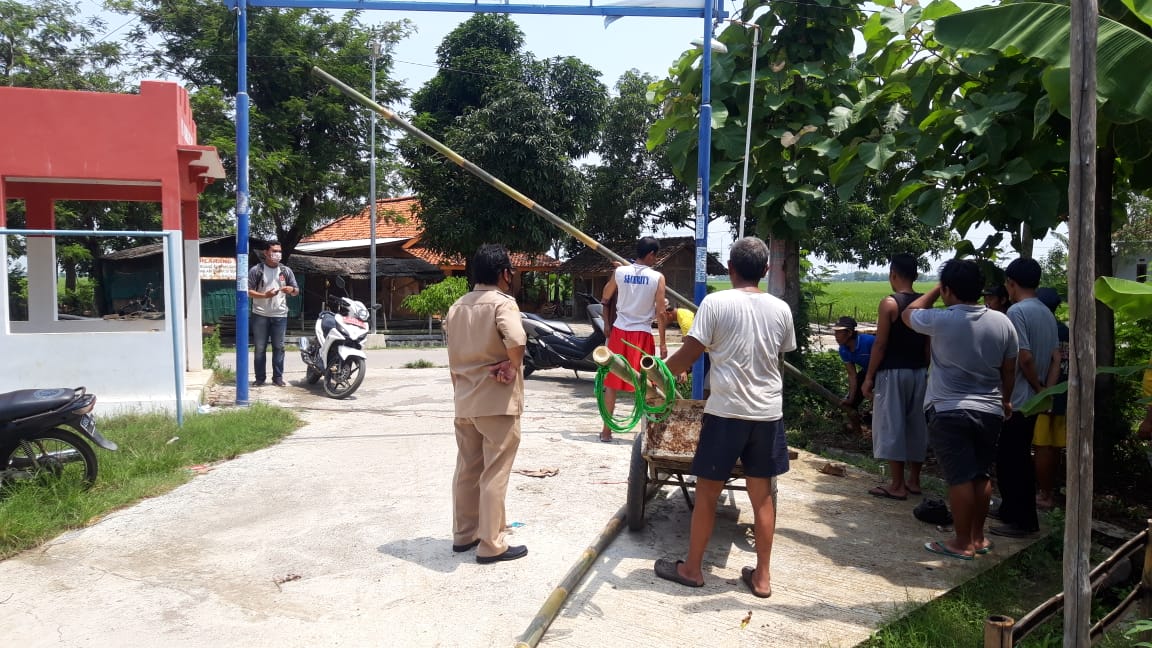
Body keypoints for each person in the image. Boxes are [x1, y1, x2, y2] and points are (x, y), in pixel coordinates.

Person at [652, 237, 795, 598]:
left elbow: (687, 358)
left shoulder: (715, 303)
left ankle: (693, 569)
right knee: (762, 497)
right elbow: (777, 358)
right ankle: (762, 578)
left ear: (730, 268)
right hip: (767, 414)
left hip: (726, 412)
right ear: (765, 271)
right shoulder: (780, 310)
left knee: (707, 494)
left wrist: (656, 375)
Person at [904, 259, 1018, 560]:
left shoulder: (942, 320)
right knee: (981, 475)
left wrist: (934, 290)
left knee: (959, 477)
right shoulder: (1002, 322)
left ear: (948, 289)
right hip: (990, 409)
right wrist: (1006, 400)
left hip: (948, 409)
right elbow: (1009, 370)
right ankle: (978, 538)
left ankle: (961, 542)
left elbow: (908, 313)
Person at [443, 244, 529, 564]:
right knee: (495, 472)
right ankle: (492, 543)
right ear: (504, 273)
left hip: (464, 401)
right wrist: (512, 365)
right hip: (496, 402)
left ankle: (464, 535)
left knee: (467, 468)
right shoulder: (503, 304)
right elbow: (517, 340)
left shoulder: (457, 307)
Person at [991, 258, 1059, 538]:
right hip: (1035, 398)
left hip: (1018, 398)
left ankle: (1024, 520)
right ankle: (1009, 509)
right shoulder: (1046, 312)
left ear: (1011, 283)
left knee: (1013, 459)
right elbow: (1056, 357)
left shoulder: (1017, 311)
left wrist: (1035, 384)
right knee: (1013, 456)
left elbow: (1025, 356)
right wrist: (1046, 390)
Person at [861, 254, 930, 501]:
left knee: (892, 425)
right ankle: (914, 481)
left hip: (893, 372)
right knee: (916, 425)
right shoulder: (924, 304)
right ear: (916, 275)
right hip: (919, 372)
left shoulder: (889, 303)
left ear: (893, 274)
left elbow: (880, 344)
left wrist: (869, 377)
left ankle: (897, 485)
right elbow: (927, 344)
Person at [599, 237, 668, 442]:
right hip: (642, 333)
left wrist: (606, 320)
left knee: (611, 382)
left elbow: (606, 294)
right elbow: (661, 312)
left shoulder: (620, 272)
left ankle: (606, 431)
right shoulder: (657, 278)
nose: (656, 260)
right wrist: (663, 342)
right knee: (648, 382)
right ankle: (649, 433)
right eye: (655, 256)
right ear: (650, 254)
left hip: (619, 331)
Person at [1033, 287, 1068, 510]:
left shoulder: (1043, 330)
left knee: (1042, 447)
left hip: (1045, 395)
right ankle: (1050, 490)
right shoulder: (1065, 330)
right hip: (1065, 397)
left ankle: (1045, 494)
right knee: (1055, 447)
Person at [247, 242, 299, 387]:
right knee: (260, 348)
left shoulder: (285, 271)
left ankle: (277, 378)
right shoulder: (257, 270)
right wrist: (265, 295)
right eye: (274, 251)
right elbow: (248, 291)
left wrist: (291, 290)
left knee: (279, 347)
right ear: (266, 252)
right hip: (260, 314)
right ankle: (259, 378)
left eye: (279, 251)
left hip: (280, 315)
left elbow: (296, 290)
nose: (278, 254)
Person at [832, 316, 874, 409]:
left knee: (880, 399)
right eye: (835, 332)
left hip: (884, 370)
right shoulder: (843, 350)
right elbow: (852, 375)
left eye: (839, 332)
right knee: (851, 404)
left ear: (850, 333)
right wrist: (851, 398)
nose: (836, 336)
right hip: (867, 371)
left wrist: (869, 382)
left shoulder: (869, 341)